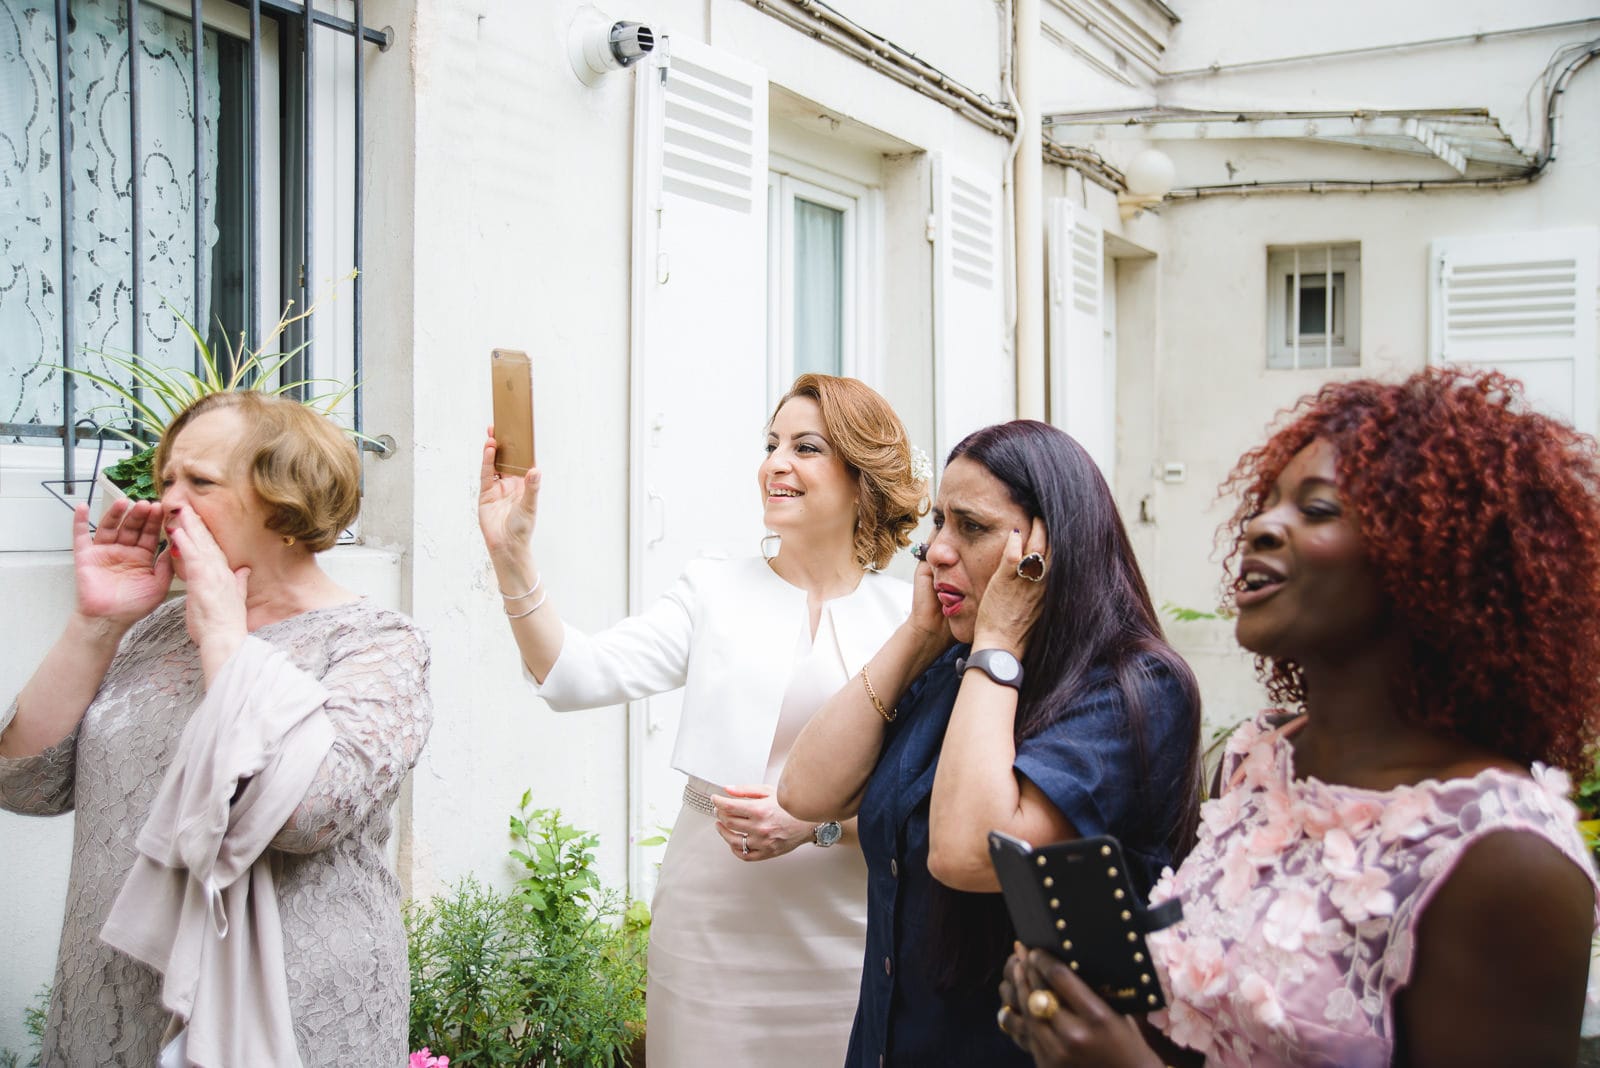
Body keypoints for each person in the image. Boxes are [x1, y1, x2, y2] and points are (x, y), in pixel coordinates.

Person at [998, 367, 1600, 1067]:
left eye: (1316, 510)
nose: (1260, 525)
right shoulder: (1255, 763)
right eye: (1268, 502)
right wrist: (1081, 1015)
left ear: (1440, 562)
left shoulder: (1505, 854)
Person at [476, 373, 926, 1067]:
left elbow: (928, 797)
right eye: (771, 443)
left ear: (862, 474)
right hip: (714, 926)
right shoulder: (712, 589)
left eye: (806, 447)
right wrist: (512, 556)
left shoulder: (907, 619)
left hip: (851, 929)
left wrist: (816, 826)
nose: (775, 463)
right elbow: (575, 673)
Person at [0, 391, 432, 1066]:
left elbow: (309, 815)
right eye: (168, 478)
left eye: (200, 482)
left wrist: (227, 640)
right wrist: (98, 622)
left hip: (288, 1015)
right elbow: (23, 784)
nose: (170, 499)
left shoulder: (377, 644)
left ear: (287, 505)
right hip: (117, 998)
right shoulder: (155, 632)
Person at [778, 419, 1203, 1066]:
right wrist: (919, 637)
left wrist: (1000, 643)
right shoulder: (953, 664)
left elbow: (969, 854)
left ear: (1046, 549)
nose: (938, 551)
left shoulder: (1133, 686)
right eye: (938, 524)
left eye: (970, 528)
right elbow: (805, 791)